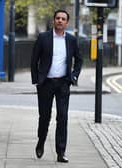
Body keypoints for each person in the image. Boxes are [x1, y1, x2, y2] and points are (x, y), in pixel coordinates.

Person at [31, 9, 83, 163]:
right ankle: (41, 141)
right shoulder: (43, 38)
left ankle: (61, 152)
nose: (60, 20)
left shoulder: (72, 40)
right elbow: (34, 60)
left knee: (63, 117)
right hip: (46, 83)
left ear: (67, 22)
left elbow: (79, 60)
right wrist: (36, 80)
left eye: (63, 19)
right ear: (54, 21)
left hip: (63, 83)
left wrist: (73, 76)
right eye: (58, 18)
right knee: (44, 117)